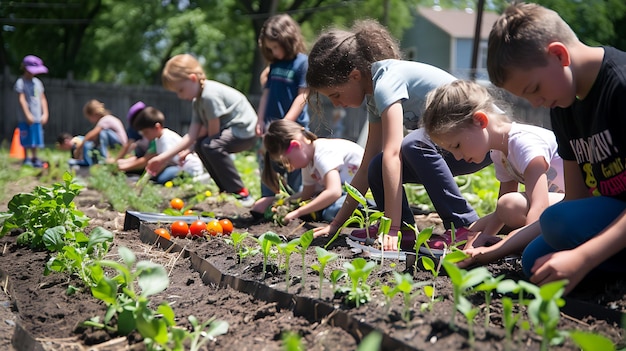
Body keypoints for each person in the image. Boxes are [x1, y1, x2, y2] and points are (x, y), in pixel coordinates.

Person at [459, 2, 626, 294]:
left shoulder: (619, 86)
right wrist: (494, 252)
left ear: (559, 54)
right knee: (534, 260)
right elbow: (574, 200)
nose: (535, 102)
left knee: (557, 223)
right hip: (611, 215)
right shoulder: (564, 106)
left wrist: (582, 257)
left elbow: (563, 217)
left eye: (534, 89)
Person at [307, 20, 492, 252]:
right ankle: (405, 231)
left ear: (355, 76)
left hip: (481, 139)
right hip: (454, 147)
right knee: (375, 165)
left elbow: (394, 154)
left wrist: (390, 228)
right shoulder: (374, 96)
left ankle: (462, 225)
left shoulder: (386, 81)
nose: (336, 103)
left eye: (335, 94)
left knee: (413, 144)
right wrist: (336, 225)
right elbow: (365, 167)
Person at [421, 80, 565, 254]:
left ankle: (529, 245)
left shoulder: (524, 144)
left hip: (574, 205)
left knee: (510, 204)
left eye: (457, 146)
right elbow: (501, 213)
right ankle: (463, 242)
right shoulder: (499, 152)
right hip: (554, 209)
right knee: (477, 225)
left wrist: (506, 246)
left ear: (480, 120)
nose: (457, 156)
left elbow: (538, 206)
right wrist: (483, 236)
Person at [147, 54, 257, 204]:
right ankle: (226, 189)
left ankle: (241, 191)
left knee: (209, 146)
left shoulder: (209, 96)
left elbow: (213, 132)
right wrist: (163, 158)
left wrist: (194, 147)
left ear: (192, 78)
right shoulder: (197, 102)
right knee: (201, 145)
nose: (180, 96)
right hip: (230, 131)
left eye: (181, 90)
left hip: (245, 130)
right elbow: (192, 135)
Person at [251, 14, 310, 217]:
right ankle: (269, 202)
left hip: (293, 128)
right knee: (268, 163)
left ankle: (295, 205)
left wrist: (286, 121)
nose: (274, 52)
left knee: (295, 167)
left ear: (288, 39)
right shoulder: (275, 65)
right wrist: (260, 119)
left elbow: (303, 95)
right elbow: (266, 94)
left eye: (277, 47)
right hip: (270, 128)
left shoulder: (302, 63)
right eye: (270, 49)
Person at [262, 119, 364, 223]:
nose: (289, 167)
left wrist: (298, 212)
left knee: (331, 212)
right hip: (345, 194)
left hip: (365, 195)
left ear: (296, 145)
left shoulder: (323, 154)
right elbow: (307, 193)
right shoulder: (308, 162)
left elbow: (334, 192)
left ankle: (369, 212)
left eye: (288, 161)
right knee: (320, 207)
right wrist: (283, 202)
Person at [131, 105, 205, 184]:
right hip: (179, 166)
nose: (145, 136)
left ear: (157, 127)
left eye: (146, 132)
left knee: (162, 178)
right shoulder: (157, 139)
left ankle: (191, 178)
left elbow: (163, 163)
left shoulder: (165, 138)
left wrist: (149, 176)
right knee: (163, 176)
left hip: (189, 167)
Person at [14, 55, 49, 168]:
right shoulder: (21, 82)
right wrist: (27, 114)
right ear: (25, 68)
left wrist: (45, 113)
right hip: (25, 118)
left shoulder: (38, 83)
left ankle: (35, 157)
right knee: (26, 137)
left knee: (36, 138)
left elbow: (43, 98)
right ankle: (26, 158)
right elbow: (22, 99)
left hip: (37, 116)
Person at [110, 101, 151, 167]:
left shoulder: (149, 125)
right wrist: (117, 161)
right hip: (143, 154)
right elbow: (128, 145)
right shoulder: (135, 128)